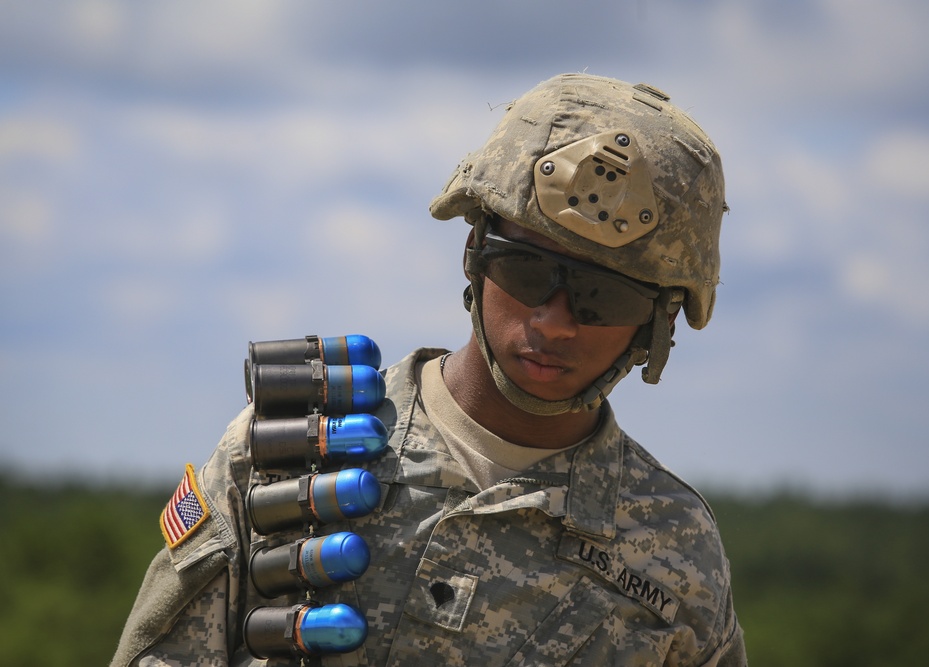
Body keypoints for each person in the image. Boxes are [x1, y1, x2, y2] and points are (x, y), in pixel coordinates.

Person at [113, 72, 747, 667]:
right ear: (474, 252)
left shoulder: (676, 551)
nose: (555, 323)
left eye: (604, 297)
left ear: (657, 321)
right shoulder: (288, 451)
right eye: (526, 271)